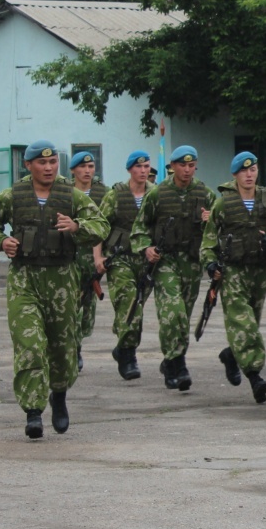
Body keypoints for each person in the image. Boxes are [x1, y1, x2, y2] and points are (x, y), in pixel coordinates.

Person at [0, 141, 108, 438]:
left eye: (53, 163)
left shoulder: (69, 196)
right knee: (30, 344)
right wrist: (1, 242)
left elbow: (101, 225)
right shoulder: (13, 196)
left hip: (62, 279)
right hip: (25, 279)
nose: (48, 168)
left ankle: (58, 396)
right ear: (28, 166)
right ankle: (33, 411)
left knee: (62, 346)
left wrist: (76, 228)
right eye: (41, 163)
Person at [201, 152, 266, 403]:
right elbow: (208, 240)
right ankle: (254, 374)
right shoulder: (223, 204)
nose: (249, 175)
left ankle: (232, 354)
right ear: (235, 175)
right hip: (233, 272)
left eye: (253, 170)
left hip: (261, 272)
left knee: (251, 321)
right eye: (243, 171)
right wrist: (210, 262)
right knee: (244, 324)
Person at [130, 146, 212, 390]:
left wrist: (212, 222)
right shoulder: (158, 194)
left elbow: (220, 229)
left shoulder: (205, 193)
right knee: (172, 311)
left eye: (191, 165)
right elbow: (140, 228)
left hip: (192, 261)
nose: (187, 170)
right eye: (182, 165)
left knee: (184, 315)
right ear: (173, 166)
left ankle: (173, 359)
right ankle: (177, 362)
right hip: (166, 261)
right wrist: (147, 248)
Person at [95, 151, 153, 379]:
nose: (143, 171)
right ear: (130, 169)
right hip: (120, 258)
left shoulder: (156, 194)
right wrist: (98, 258)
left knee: (136, 307)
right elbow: (100, 227)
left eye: (146, 167)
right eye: (138, 167)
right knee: (129, 303)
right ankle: (128, 356)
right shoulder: (115, 195)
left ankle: (121, 347)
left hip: (146, 260)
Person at [68, 151, 107, 370]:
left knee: (88, 307)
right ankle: (73, 349)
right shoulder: (66, 194)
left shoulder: (103, 193)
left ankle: (78, 342)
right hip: (72, 255)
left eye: (91, 167)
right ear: (73, 170)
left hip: (94, 257)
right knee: (71, 305)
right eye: (82, 167)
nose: (87, 171)